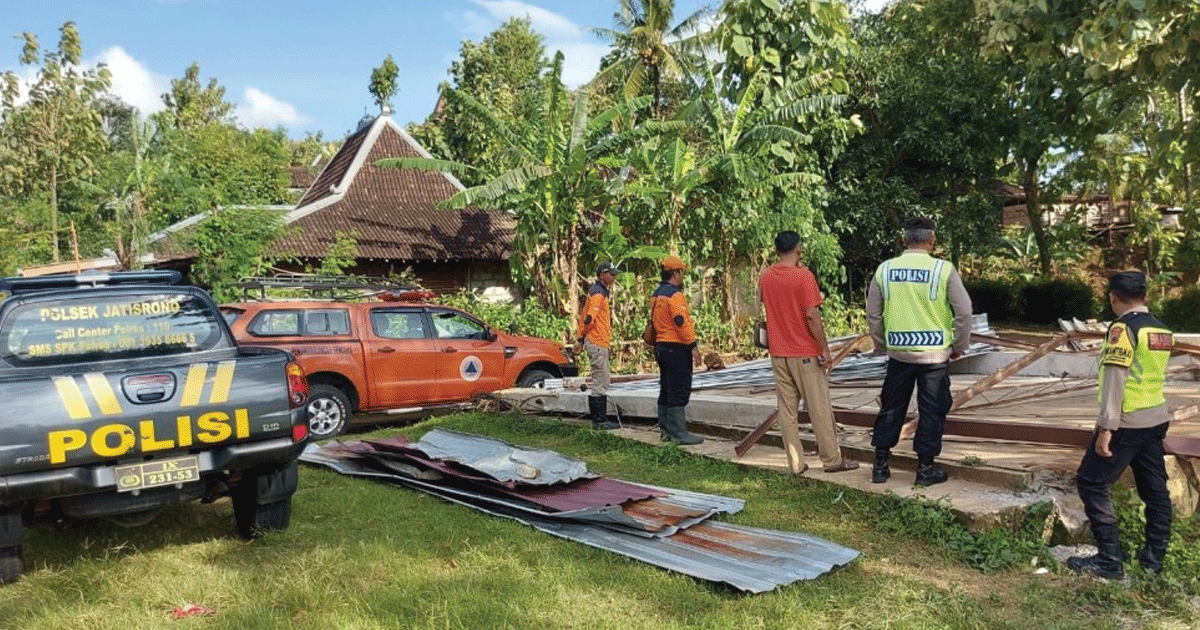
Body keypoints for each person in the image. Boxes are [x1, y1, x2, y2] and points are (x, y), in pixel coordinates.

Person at [1067, 271, 1174, 580]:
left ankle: (1110, 560)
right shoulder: (1162, 330)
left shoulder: (1122, 330)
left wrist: (1106, 428)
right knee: (1155, 491)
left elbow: (1116, 378)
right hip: (1155, 419)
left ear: (1113, 298)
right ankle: (1153, 560)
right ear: (1146, 296)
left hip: (1126, 421)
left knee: (1092, 481)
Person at [866, 217, 972, 486]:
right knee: (932, 410)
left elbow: (874, 315)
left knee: (891, 407)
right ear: (932, 241)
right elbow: (964, 311)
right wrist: (958, 346)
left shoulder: (885, 270)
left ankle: (880, 466)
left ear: (904, 240)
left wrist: (881, 344)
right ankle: (925, 470)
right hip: (935, 355)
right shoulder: (943, 270)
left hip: (899, 354)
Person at [759, 231, 858, 475]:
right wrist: (823, 348)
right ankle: (832, 460)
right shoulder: (803, 277)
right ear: (799, 249)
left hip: (778, 353)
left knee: (788, 411)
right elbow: (812, 315)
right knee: (819, 409)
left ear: (776, 251)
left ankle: (795, 464)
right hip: (804, 353)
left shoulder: (765, 277)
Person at [651, 255, 703, 445]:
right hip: (676, 347)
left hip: (661, 347)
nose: (682, 276)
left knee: (666, 389)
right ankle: (679, 433)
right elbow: (681, 322)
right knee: (679, 389)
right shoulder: (675, 295)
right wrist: (693, 346)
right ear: (675, 273)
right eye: (681, 272)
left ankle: (666, 431)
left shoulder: (657, 295)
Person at [575, 261, 620, 430]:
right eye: (611, 274)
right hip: (597, 341)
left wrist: (581, 339)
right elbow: (589, 318)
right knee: (600, 380)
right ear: (602, 274)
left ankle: (600, 419)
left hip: (598, 341)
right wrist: (582, 339)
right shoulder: (598, 293)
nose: (614, 277)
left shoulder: (599, 291)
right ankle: (599, 421)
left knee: (601, 379)